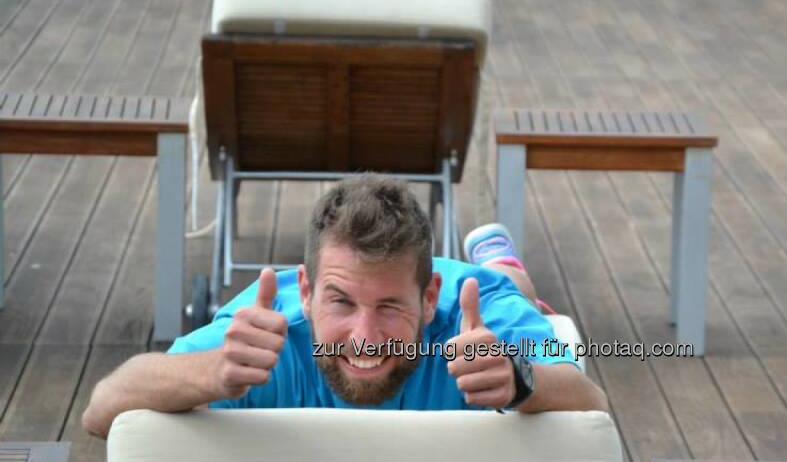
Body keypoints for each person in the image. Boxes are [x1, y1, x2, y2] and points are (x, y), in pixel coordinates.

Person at [82, 174, 609, 438]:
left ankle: (498, 259)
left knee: (510, 285)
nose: (364, 336)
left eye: (389, 306)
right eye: (340, 301)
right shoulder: (269, 335)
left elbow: (592, 401)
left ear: (429, 300)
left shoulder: (473, 324)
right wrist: (213, 371)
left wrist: (520, 380)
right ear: (306, 292)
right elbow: (101, 409)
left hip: (478, 288)